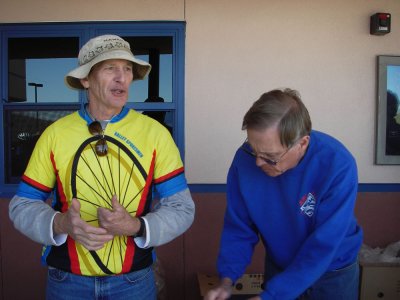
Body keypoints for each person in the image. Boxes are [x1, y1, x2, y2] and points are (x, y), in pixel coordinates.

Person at [9, 34, 195, 300]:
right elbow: (22, 205)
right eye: (110, 68)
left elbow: (182, 207)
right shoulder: (55, 134)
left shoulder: (156, 134)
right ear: (86, 79)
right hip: (66, 280)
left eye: (127, 69)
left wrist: (136, 227)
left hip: (134, 280)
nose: (122, 78)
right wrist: (61, 223)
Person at [205, 88, 363, 300]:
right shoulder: (244, 160)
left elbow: (324, 244)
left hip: (332, 272)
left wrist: (272, 296)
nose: (258, 162)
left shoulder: (337, 164)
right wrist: (226, 281)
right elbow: (239, 228)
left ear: (302, 143)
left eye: (270, 156)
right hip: (280, 265)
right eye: (254, 150)